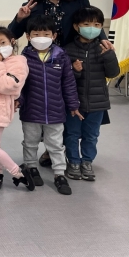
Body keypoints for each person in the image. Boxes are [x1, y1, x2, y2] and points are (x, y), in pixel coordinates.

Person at [8, 0, 114, 167]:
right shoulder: (32, 5)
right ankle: (52, 148)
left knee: (73, 103)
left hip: (76, 57)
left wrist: (103, 39)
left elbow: (91, 20)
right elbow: (12, 33)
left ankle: (65, 149)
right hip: (44, 64)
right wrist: (20, 18)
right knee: (50, 104)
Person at [17, 15, 80, 195]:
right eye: (36, 34)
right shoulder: (23, 58)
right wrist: (18, 101)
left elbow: (68, 83)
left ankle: (59, 174)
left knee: (56, 144)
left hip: (55, 110)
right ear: (28, 36)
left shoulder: (61, 56)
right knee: (30, 142)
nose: (41, 37)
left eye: (46, 34)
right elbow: (20, 84)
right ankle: (30, 167)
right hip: (31, 110)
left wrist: (73, 104)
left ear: (54, 35)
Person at [64, 7, 120, 181]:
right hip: (74, 103)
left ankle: (87, 161)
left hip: (98, 103)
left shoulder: (104, 48)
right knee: (72, 134)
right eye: (87, 24)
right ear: (76, 26)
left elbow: (113, 73)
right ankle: (73, 162)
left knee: (91, 135)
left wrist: (108, 56)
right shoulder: (67, 50)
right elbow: (63, 79)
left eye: (96, 25)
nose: (92, 28)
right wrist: (75, 70)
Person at [0, 26, 34, 192]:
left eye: (2, 42)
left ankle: (18, 173)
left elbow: (6, 85)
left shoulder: (19, 62)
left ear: (12, 41)